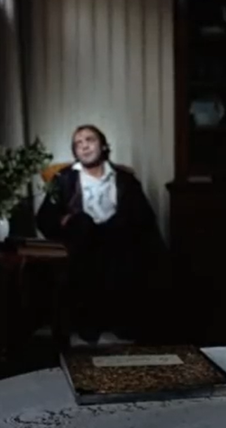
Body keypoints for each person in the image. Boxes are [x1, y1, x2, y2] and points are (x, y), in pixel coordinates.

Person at [36, 124, 166, 345]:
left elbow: (144, 216)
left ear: (103, 146)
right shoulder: (64, 178)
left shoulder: (124, 179)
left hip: (117, 239)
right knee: (84, 225)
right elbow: (44, 218)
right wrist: (62, 220)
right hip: (82, 240)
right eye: (78, 143)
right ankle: (89, 323)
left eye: (90, 140)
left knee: (120, 232)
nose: (84, 146)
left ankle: (123, 323)